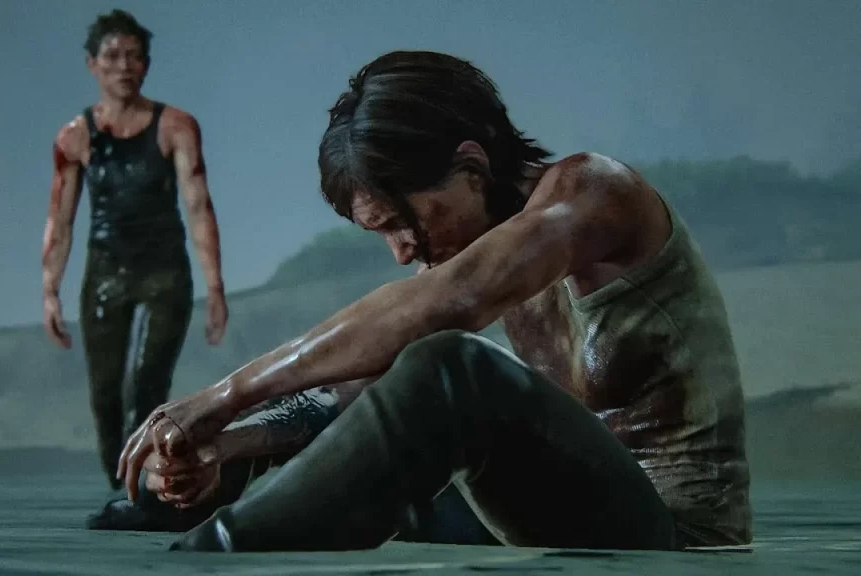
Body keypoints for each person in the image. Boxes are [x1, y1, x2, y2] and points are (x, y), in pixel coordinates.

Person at [116, 50, 753, 552]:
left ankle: (211, 556)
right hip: (563, 514)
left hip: (673, 537)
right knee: (377, 457)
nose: (401, 252)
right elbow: (361, 386)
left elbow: (455, 304)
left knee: (452, 365)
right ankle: (203, 506)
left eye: (403, 223)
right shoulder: (478, 258)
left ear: (472, 167)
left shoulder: (595, 195)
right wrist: (229, 441)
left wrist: (224, 395)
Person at [41, 9, 229, 492]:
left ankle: (147, 489)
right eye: (112, 56)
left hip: (165, 271)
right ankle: (118, 485)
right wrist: (50, 290)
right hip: (106, 272)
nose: (123, 66)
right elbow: (60, 219)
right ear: (92, 64)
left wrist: (215, 288)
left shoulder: (176, 127)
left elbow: (198, 207)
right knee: (105, 392)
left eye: (134, 56)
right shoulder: (75, 137)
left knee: (148, 385)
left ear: (146, 64)